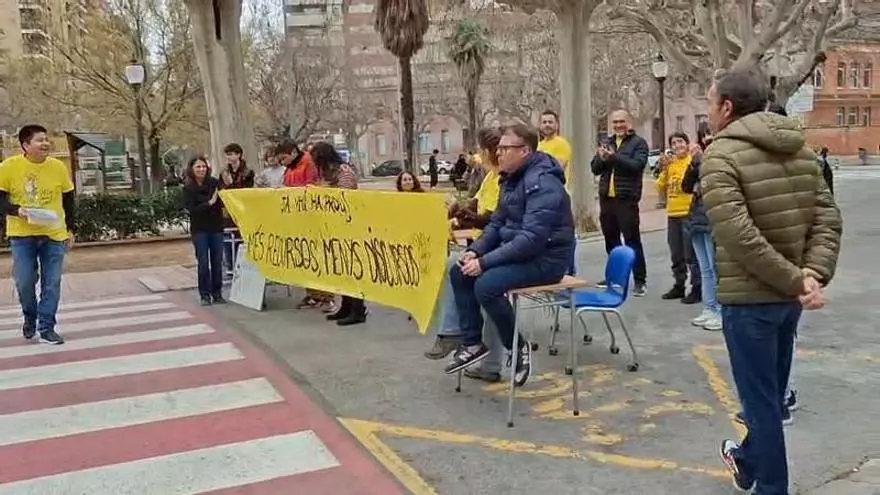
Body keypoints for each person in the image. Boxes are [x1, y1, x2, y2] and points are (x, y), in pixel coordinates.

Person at [701, 65, 842, 494]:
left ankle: (771, 487)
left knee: (761, 407)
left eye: (709, 102)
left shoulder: (720, 155)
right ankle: (745, 460)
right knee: (770, 397)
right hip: (787, 302)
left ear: (726, 107)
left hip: (752, 302)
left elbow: (737, 235)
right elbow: (827, 219)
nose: (708, 112)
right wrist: (809, 276)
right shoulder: (799, 150)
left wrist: (802, 280)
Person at [444, 123, 575, 387]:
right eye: (499, 148)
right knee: (459, 270)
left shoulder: (542, 181)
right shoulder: (511, 179)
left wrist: (484, 262)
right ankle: (472, 344)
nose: (498, 153)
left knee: (487, 285)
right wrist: (474, 251)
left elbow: (532, 239)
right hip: (523, 253)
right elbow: (496, 225)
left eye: (505, 148)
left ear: (524, 150)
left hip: (546, 259)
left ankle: (517, 348)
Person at [424, 127, 505, 383]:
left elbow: (496, 220)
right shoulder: (490, 177)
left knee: (463, 271)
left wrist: (468, 216)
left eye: (483, 149)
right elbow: (477, 206)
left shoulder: (508, 180)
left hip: (506, 250)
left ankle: (455, 333)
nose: (479, 154)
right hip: (490, 246)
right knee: (477, 286)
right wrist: (460, 210)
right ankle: (476, 350)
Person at [0, 124, 74, 345]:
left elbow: (69, 199)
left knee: (52, 282)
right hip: (22, 235)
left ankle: (47, 326)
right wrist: (16, 210)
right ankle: (29, 317)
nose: (45, 144)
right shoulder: (8, 167)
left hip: (54, 234)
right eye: (39, 140)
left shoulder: (58, 167)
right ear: (25, 145)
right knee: (25, 281)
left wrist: (70, 229)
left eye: (46, 139)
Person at [590, 109, 649, 296]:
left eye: (622, 122)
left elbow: (637, 166)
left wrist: (614, 157)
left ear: (629, 123)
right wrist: (602, 158)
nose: (618, 126)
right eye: (615, 123)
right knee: (611, 240)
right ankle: (616, 277)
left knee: (632, 241)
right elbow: (595, 168)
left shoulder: (639, 143)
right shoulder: (607, 143)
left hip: (626, 200)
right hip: (607, 200)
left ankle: (640, 280)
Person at [311, 142, 367, 326]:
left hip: (349, 225)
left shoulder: (344, 172)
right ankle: (346, 305)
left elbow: (345, 197)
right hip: (333, 226)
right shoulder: (326, 174)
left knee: (352, 268)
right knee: (341, 268)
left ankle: (358, 309)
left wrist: (323, 190)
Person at [276, 140, 332, 310]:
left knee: (319, 256)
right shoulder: (290, 168)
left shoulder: (309, 163)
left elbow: (313, 187)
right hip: (298, 218)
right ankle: (312, 293)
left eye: (284, 158)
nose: (282, 162)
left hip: (313, 217)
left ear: (293, 152)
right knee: (305, 256)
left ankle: (325, 294)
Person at [681, 122, 721, 331]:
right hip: (697, 216)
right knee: (704, 268)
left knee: (716, 267)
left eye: (711, 133)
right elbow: (686, 186)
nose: (708, 138)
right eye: (704, 134)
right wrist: (694, 163)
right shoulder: (698, 160)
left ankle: (720, 310)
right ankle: (709, 307)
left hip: (713, 218)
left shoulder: (721, 156)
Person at [655, 132, 701, 304]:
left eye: (680, 142)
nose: (677, 146)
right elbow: (660, 186)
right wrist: (664, 169)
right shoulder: (671, 164)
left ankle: (697, 287)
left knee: (691, 253)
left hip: (688, 211)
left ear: (687, 144)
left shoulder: (690, 161)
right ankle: (679, 284)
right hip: (673, 213)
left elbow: (689, 185)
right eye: (673, 143)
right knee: (676, 253)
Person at [183, 156, 225, 306]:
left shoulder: (214, 183)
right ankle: (204, 295)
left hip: (216, 227)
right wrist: (209, 203)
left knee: (217, 261)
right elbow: (192, 209)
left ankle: (217, 293)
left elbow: (221, 201)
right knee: (203, 262)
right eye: (198, 167)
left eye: (203, 167)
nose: (202, 170)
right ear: (192, 169)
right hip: (199, 229)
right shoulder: (188, 188)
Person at [218, 143, 254, 277]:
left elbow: (247, 190)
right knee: (227, 236)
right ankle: (230, 266)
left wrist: (231, 184)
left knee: (242, 237)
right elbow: (222, 191)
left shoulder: (248, 172)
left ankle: (244, 265)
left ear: (238, 154)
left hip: (244, 208)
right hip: (228, 209)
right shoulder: (223, 173)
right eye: (227, 154)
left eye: (232, 154)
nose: (229, 157)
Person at [537, 110, 573, 188]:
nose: (547, 125)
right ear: (540, 125)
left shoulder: (561, 144)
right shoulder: (539, 145)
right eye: (544, 122)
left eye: (550, 122)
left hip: (557, 191)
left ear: (557, 125)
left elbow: (558, 168)